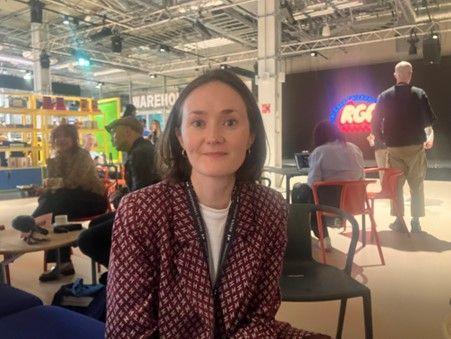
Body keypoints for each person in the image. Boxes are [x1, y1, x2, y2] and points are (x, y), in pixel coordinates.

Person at [106, 70, 329, 338]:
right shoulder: (140, 211)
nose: (213, 137)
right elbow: (128, 332)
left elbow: (259, 317)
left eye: (231, 122)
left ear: (251, 136)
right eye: (198, 123)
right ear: (180, 137)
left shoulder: (271, 208)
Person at [78, 116, 160, 272]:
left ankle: (127, 273)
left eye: (115, 133)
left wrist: (120, 199)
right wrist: (122, 192)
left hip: (145, 218)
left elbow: (141, 198)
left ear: (128, 132)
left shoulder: (139, 154)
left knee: (87, 240)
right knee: (95, 224)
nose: (112, 139)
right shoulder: (142, 149)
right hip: (149, 213)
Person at [32, 124, 107, 282]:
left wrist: (51, 185)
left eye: (65, 136)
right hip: (67, 201)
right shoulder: (55, 159)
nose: (61, 139)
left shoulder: (83, 155)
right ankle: (64, 262)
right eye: (58, 136)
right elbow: (54, 186)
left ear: (74, 138)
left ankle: (33, 223)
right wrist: (44, 189)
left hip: (92, 198)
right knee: (54, 207)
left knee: (56, 204)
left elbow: (73, 182)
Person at [372, 61, 436, 233]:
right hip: (415, 147)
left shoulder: (384, 96)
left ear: (395, 75)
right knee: (417, 185)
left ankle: (399, 221)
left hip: (394, 148)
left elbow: (375, 122)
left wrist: (383, 139)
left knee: (396, 186)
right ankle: (416, 221)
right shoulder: (419, 93)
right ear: (410, 74)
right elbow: (429, 120)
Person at [292, 120, 364, 250]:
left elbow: (312, 183)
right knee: (311, 194)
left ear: (318, 136)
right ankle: (329, 226)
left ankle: (318, 236)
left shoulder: (319, 152)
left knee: (301, 190)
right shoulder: (355, 149)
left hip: (328, 204)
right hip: (354, 203)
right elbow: (361, 176)